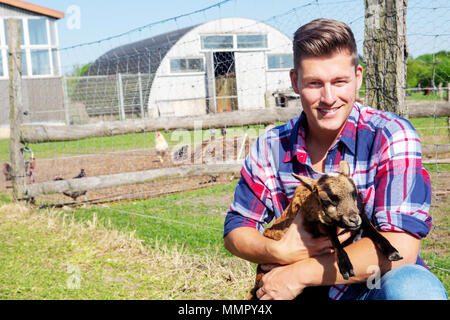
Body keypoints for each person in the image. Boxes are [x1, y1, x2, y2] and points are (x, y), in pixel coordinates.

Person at [223, 18, 447, 300]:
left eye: (339, 81)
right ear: (295, 82)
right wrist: (276, 251)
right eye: (315, 83)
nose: (328, 97)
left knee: (412, 289)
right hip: (302, 295)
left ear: (358, 77)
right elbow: (236, 230)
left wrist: (298, 272)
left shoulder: (391, 136)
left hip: (370, 288)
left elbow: (400, 247)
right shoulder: (272, 146)